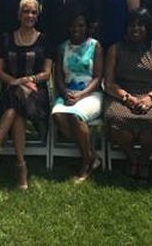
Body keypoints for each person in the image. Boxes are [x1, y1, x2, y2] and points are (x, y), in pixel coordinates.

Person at [0, 0, 53, 190]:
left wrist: (25, 80)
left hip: (35, 93)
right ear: (18, 14)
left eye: (33, 12)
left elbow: (46, 73)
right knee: (16, 104)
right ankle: (20, 166)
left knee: (17, 101)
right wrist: (14, 82)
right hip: (10, 89)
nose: (29, 16)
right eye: (25, 11)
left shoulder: (45, 39)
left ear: (37, 15)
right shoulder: (7, 38)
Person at [104, 8, 152, 185]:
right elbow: (109, 83)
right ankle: (133, 158)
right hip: (122, 96)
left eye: (141, 25)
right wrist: (127, 98)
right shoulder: (115, 49)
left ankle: (143, 160)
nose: (136, 29)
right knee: (115, 118)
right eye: (132, 25)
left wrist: (151, 99)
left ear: (148, 27)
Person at [51, 12, 103, 181]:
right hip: (68, 92)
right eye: (73, 25)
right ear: (68, 27)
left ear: (87, 27)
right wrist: (64, 92)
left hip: (91, 93)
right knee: (58, 116)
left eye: (81, 25)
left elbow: (97, 77)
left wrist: (81, 94)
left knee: (74, 116)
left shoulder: (95, 46)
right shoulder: (62, 47)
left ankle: (86, 163)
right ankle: (92, 155)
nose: (77, 29)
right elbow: (58, 75)